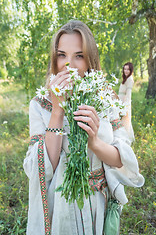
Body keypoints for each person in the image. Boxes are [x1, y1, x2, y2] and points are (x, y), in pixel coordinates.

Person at [23, 20, 144, 235]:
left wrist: (94, 142)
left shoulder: (106, 99)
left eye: (79, 55)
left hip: (97, 203)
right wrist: (58, 110)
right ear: (54, 58)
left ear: (90, 59)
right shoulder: (40, 104)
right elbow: (42, 169)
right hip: (61, 205)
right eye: (62, 55)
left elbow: (120, 160)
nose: (69, 64)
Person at [118, 62, 135, 142]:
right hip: (120, 102)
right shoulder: (126, 79)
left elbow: (128, 95)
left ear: (131, 70)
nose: (126, 71)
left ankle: (125, 139)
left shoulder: (130, 80)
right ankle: (121, 138)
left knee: (124, 122)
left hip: (124, 104)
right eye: (125, 69)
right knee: (121, 122)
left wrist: (125, 107)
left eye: (128, 69)